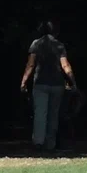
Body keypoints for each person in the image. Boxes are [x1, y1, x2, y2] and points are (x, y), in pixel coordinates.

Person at [21, 20, 77, 152]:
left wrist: (23, 81)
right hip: (57, 85)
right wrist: (73, 82)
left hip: (40, 84)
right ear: (55, 31)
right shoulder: (59, 45)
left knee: (40, 113)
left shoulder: (36, 44)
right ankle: (50, 144)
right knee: (53, 114)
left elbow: (30, 64)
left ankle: (38, 143)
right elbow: (65, 66)